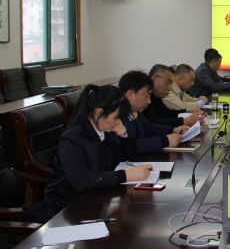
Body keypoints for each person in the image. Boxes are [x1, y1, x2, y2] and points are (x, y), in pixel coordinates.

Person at [25, 85, 152, 222]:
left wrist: (124, 134)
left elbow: (125, 158)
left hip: (97, 199)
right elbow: (82, 180)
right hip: (66, 208)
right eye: (116, 117)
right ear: (99, 112)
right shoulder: (72, 139)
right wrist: (126, 175)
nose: (118, 122)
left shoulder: (105, 131)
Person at [119, 70, 185, 153]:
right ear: (130, 95)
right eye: (146, 95)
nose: (149, 101)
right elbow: (128, 146)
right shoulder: (116, 117)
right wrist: (164, 141)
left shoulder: (135, 112)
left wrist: (173, 130)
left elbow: (149, 127)